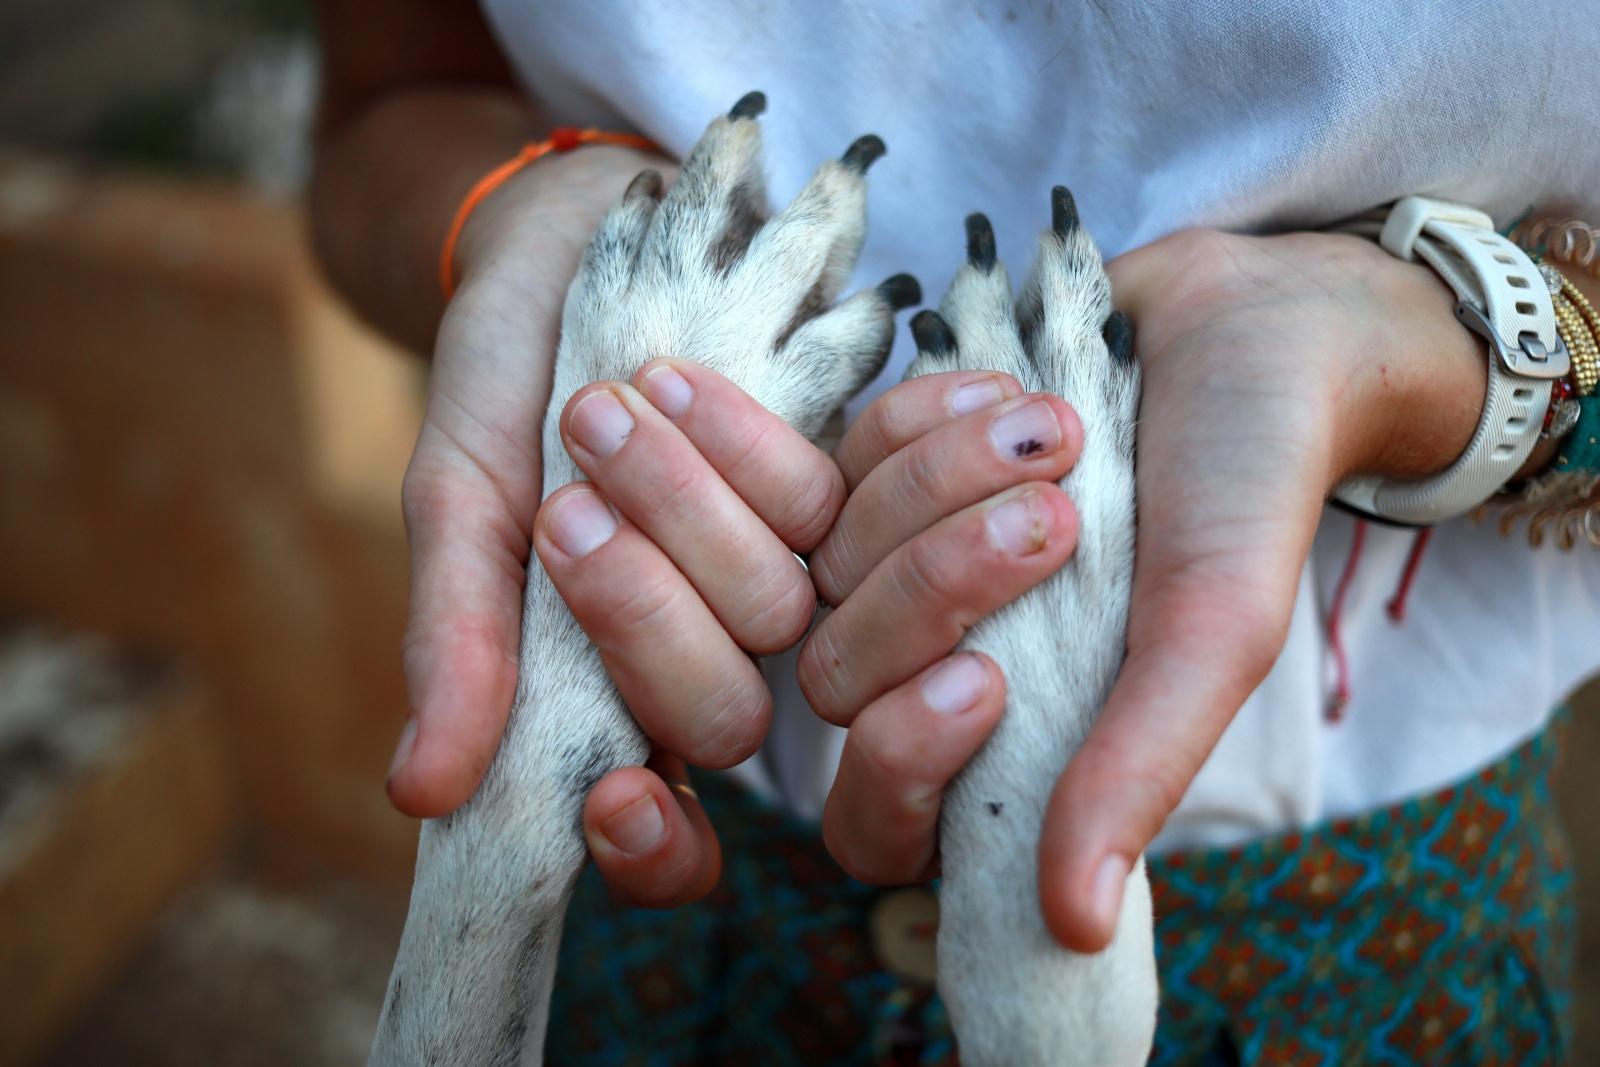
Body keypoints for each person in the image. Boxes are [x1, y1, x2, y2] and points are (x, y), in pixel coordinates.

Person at [311, 0, 1600, 1061]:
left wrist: (1466, 360)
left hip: (1364, 959)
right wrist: (526, 213)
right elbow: (393, 102)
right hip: (670, 929)